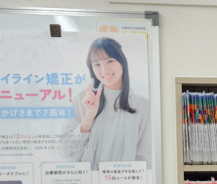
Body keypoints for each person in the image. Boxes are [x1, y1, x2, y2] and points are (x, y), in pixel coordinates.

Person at [62, 37, 151, 168]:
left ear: (122, 63)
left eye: (110, 61)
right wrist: (89, 116)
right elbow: (67, 153)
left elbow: (144, 157)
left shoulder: (143, 106)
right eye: (97, 64)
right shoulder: (82, 99)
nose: (104, 70)